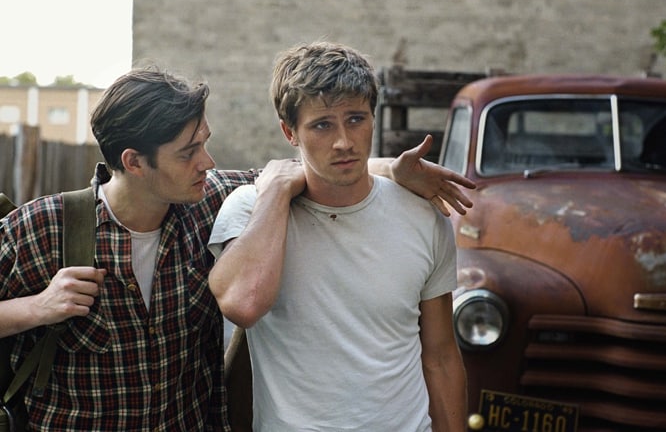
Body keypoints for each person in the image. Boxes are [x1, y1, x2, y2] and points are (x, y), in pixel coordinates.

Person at [0, 66, 474, 430]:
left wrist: (398, 169)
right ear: (134, 162)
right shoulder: (46, 227)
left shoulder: (213, 202)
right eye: (189, 152)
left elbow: (319, 166)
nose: (207, 161)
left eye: (204, 142)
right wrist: (35, 308)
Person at [208, 41, 467, 431]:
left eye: (356, 119)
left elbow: (441, 355)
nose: (343, 141)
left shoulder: (422, 214)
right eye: (322, 124)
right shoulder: (252, 210)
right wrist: (278, 190)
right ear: (289, 132)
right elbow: (242, 304)